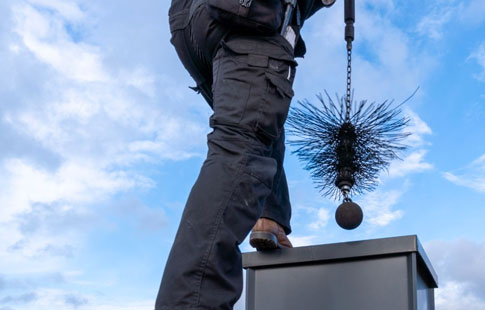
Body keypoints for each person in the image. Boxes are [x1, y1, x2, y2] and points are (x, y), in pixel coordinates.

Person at [156, 0, 335, 309]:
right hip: (245, 13)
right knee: (240, 152)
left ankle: (271, 218)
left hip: (191, 21)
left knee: (259, 121)